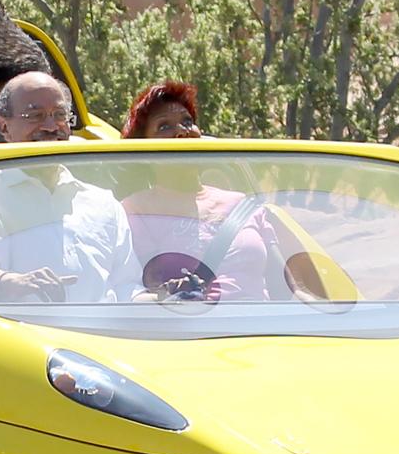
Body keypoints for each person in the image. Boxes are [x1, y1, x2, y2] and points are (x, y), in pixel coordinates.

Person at [0, 72, 144, 303]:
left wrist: (169, 298)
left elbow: (126, 287)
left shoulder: (102, 202)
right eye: (35, 115)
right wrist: (14, 283)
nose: (51, 126)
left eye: (60, 115)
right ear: (4, 127)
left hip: (102, 337)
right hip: (19, 335)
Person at [119, 81, 284, 300]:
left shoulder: (243, 204)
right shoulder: (132, 211)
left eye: (187, 121)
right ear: (142, 149)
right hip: (189, 330)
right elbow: (137, 290)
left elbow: (286, 284)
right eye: (164, 127)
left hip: (260, 330)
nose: (181, 132)